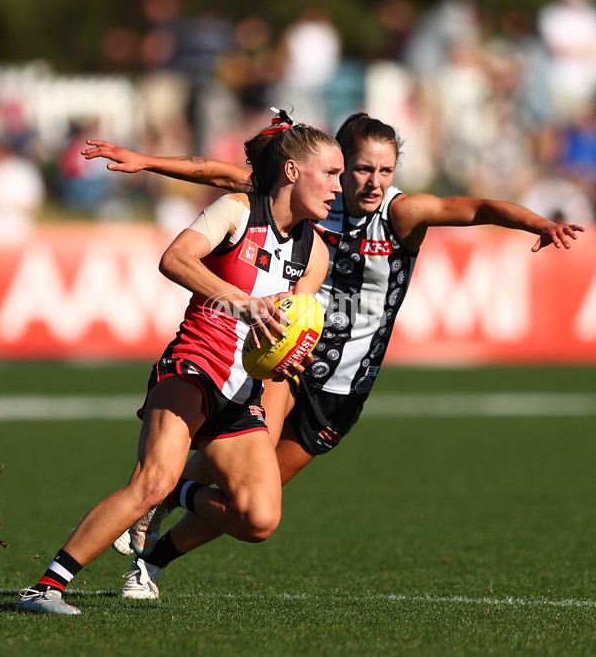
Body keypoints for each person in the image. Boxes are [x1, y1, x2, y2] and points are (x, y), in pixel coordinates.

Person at [79, 111, 585, 599]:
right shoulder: (311, 199)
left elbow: (476, 208)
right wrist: (147, 161)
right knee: (243, 470)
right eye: (362, 168)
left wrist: (537, 223)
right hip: (286, 361)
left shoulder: (402, 213)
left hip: (344, 386)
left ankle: (155, 548)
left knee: (259, 497)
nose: (373, 182)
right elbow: (219, 174)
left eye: (386, 171)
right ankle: (155, 499)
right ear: (339, 165)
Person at [16, 114, 343, 615]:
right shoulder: (237, 210)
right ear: (293, 171)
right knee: (150, 481)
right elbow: (175, 258)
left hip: (243, 391)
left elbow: (288, 327)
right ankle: (45, 587)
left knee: (259, 519)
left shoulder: (315, 252)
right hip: (193, 365)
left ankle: (178, 495)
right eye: (331, 174)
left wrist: (288, 357)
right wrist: (241, 302)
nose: (338, 188)